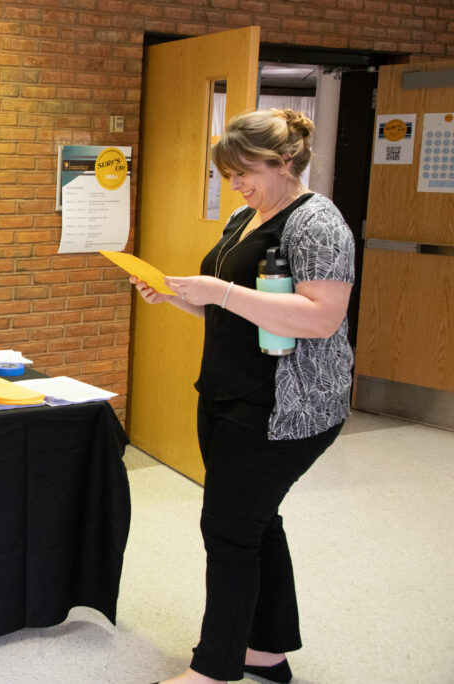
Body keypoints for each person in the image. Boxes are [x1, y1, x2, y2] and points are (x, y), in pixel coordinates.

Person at [134, 109, 354, 684]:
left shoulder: (318, 223)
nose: (234, 184)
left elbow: (322, 317)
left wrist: (218, 290)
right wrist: (177, 296)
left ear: (285, 162)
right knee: (255, 521)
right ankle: (267, 650)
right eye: (228, 174)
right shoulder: (244, 216)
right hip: (230, 392)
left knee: (230, 529)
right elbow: (233, 308)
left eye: (243, 171)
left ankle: (216, 668)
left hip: (286, 405)